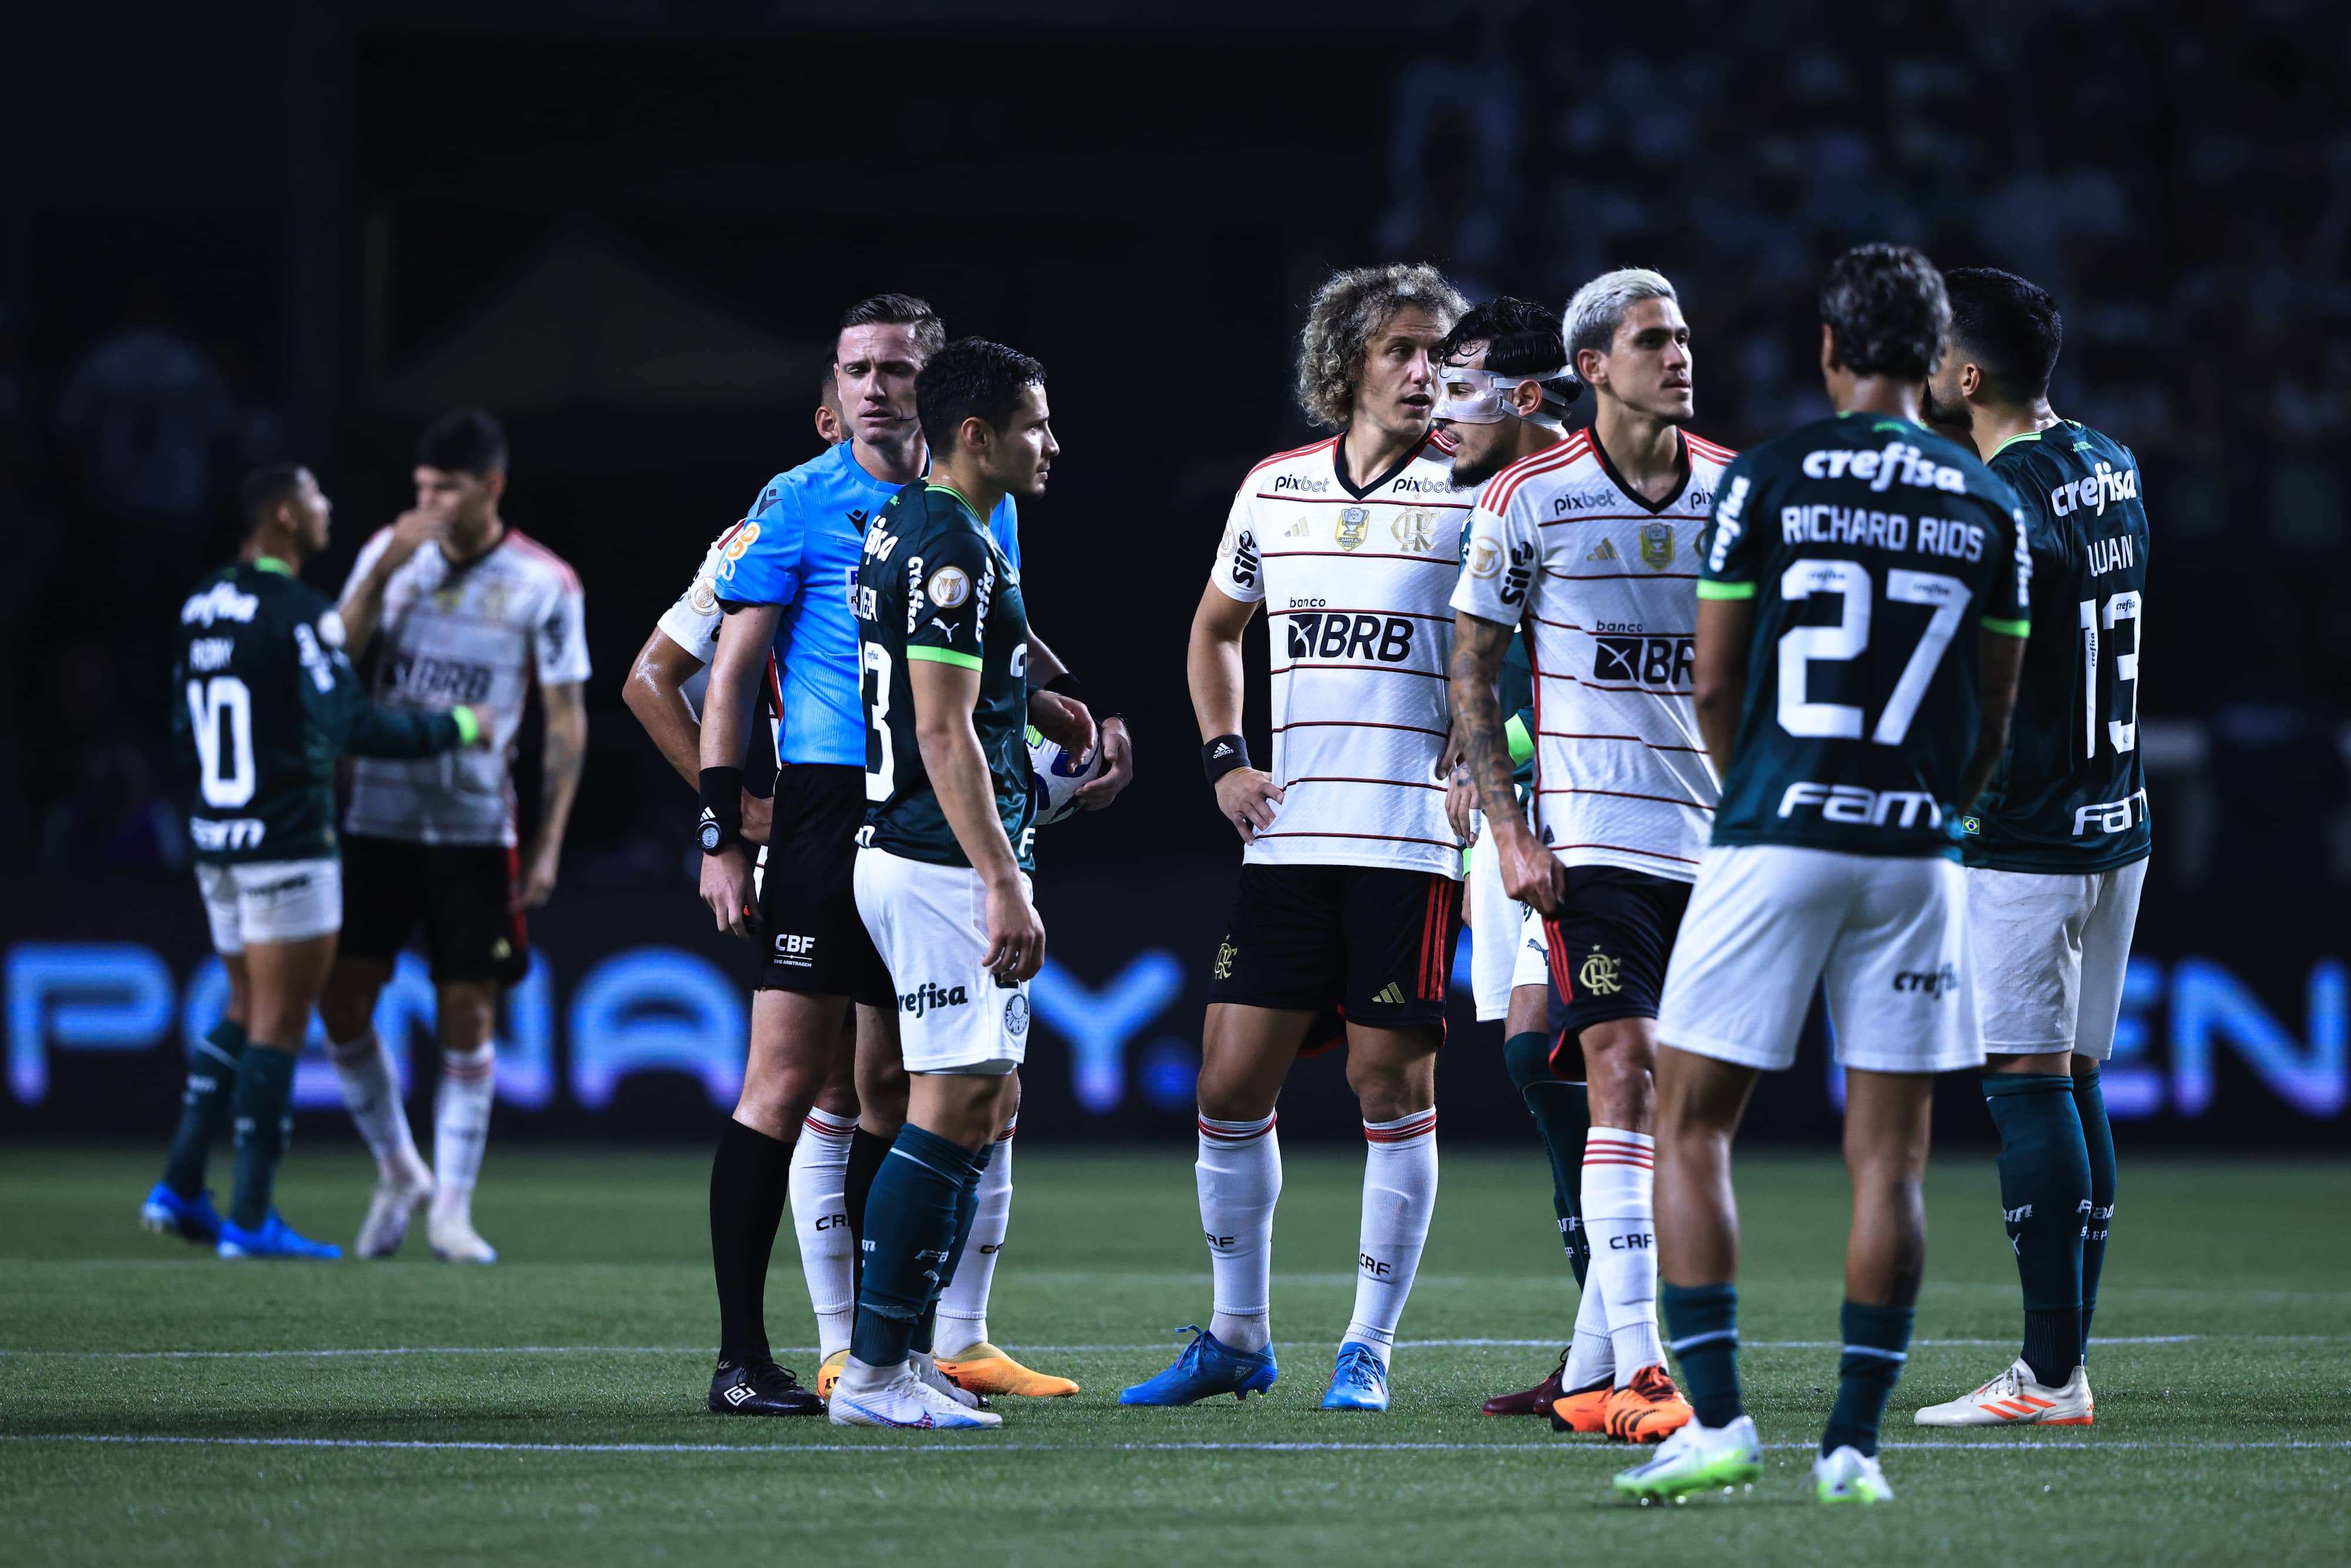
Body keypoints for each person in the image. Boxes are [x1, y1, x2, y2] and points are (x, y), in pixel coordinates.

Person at [1613, 244, 2030, 1505]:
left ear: (1830, 349)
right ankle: (1851, 1443)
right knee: (1889, 1158)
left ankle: (1722, 1419)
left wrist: (1755, 794)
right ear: (1933, 359)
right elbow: (1991, 711)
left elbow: (1711, 679)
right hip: (1913, 850)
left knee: (1685, 1125)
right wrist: (1933, 811)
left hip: (1772, 827)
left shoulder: (1769, 476)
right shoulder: (1984, 501)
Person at [694, 297, 1117, 1417]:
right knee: (821, 1086)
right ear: (832, 388)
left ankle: (907, 1349)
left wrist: (1053, 701)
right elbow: (696, 673)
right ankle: (811, 1356)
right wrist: (723, 824)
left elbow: (990, 642)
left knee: (900, 1089)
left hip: (908, 807)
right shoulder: (810, 504)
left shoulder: (937, 521)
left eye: (897, 369)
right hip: (869, 811)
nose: (877, 388)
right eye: (859, 368)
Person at [1121, 263, 1469, 1414]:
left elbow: (1518, 645)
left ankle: (1366, 1345)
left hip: (1408, 842)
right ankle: (1237, 1334)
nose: (1424, 370)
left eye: (1436, 351)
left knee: (1385, 1079)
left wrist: (1491, 754)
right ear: (1345, 367)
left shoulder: (1474, 493)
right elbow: (1214, 630)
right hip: (1287, 835)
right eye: (1401, 350)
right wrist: (1223, 754)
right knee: (1226, 1080)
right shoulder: (1272, 489)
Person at [1450, 272, 1734, 1443]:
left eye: (1681, 337)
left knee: (1647, 1092)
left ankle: (1588, 1360)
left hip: (1718, 849)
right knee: (1614, 1069)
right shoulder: (1527, 498)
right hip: (1590, 845)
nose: (1676, 355)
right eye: (1651, 340)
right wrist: (1508, 826)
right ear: (1591, 363)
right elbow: (1469, 673)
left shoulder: (1735, 491)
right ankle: (1643, 1369)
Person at [1913, 267, 2149, 1428]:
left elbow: (1971, 683)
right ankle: (2064, 1361)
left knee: (2023, 1083)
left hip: (2028, 827)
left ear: (1965, 375)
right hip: (2118, 817)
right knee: (2074, 1077)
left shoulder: (1995, 498)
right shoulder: (2111, 460)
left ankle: (2049, 1374)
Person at [142, 463, 484, 1258]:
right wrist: (458, 728)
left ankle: (182, 1185)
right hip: (288, 840)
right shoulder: (293, 610)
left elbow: (179, 728)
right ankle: (253, 1218)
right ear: (287, 516)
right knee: (280, 1021)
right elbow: (350, 723)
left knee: (239, 1005)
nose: (329, 507)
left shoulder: (201, 605)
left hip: (217, 839)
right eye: (317, 497)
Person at [829, 338, 1058, 1429]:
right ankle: (873, 1374)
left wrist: (1042, 705)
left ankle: (903, 1356)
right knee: (953, 1102)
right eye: (1034, 426)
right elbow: (940, 728)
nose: (1049, 444)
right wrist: (1003, 880)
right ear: (978, 435)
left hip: (918, 848)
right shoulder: (951, 545)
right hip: (935, 862)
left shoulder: (914, 525)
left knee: (982, 1099)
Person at [317, 408, 590, 1267]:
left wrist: (547, 844)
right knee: (343, 1002)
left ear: (491, 487)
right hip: (375, 818)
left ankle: (453, 1211)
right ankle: (402, 1169)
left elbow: (565, 722)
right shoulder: (387, 558)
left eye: (447, 488)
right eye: (420, 488)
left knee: (467, 1010)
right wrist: (383, 569)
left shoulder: (546, 583)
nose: (429, 503)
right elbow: (327, 662)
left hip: (475, 826)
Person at [1421, 297, 1582, 1418]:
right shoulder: (1482, 499)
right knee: (1545, 1064)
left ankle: (1638, 1348)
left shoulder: (1581, 495)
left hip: (1611, 814)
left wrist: (1497, 754)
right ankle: (1605, 1341)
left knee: (1586, 1063)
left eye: (1460, 382)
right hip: (1518, 812)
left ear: (1526, 394)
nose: (1440, 408)